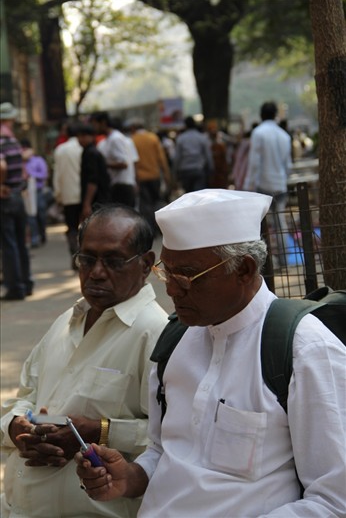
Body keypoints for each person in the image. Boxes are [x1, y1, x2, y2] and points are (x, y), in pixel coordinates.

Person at [75, 189, 345, 517]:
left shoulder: (304, 351)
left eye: (188, 276)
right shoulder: (176, 339)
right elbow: (164, 451)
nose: (172, 289)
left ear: (244, 270)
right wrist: (132, 477)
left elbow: (333, 501)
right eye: (167, 272)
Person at [0, 204, 169, 518]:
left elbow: (174, 439)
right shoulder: (67, 321)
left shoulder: (155, 334)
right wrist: (17, 429)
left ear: (146, 264)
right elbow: (24, 397)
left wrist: (100, 431)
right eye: (87, 259)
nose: (97, 272)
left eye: (114, 261)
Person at [243, 102, 292, 267]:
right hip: (281, 184)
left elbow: (254, 162)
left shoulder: (258, 133)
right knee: (281, 223)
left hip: (263, 185)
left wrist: (248, 186)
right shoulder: (284, 135)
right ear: (275, 114)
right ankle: (284, 260)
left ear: (261, 114)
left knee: (261, 225)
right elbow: (288, 165)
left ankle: (268, 262)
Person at [0, 102, 33, 300]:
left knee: (9, 244)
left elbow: (1, 166)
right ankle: (26, 283)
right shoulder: (13, 142)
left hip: (5, 198)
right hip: (17, 196)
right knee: (21, 242)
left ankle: (15, 288)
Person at [128, 118, 171, 232]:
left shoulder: (132, 140)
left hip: (140, 177)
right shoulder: (153, 138)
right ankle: (161, 227)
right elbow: (162, 159)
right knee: (156, 201)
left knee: (145, 204)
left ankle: (150, 229)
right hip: (155, 175)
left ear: (133, 129)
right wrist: (166, 175)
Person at [90, 113, 138, 207]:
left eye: (94, 124)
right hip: (118, 186)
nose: (93, 128)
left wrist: (103, 165)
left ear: (103, 123)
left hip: (122, 186)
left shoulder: (115, 138)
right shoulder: (109, 139)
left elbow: (124, 164)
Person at [53, 122, 83, 266]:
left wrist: (58, 194)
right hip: (84, 195)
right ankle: (85, 257)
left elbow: (57, 174)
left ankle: (75, 256)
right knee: (87, 227)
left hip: (68, 195)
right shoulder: (82, 148)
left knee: (71, 228)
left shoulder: (60, 150)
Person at [75, 124, 110, 221]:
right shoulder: (89, 151)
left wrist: (87, 204)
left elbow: (92, 180)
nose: (80, 139)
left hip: (98, 200)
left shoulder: (91, 153)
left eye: (83, 136)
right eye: (79, 136)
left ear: (92, 136)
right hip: (98, 199)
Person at [173, 116, 213, 193]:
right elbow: (208, 155)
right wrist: (211, 168)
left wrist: (175, 172)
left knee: (188, 195)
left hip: (185, 171)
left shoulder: (181, 138)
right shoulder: (202, 137)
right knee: (199, 194)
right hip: (199, 169)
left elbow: (177, 157)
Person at [21, 138, 49, 247]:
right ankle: (34, 239)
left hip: (38, 191)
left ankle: (42, 234)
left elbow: (44, 175)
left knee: (40, 215)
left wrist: (31, 174)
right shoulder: (20, 162)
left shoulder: (38, 160)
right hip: (26, 192)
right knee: (30, 216)